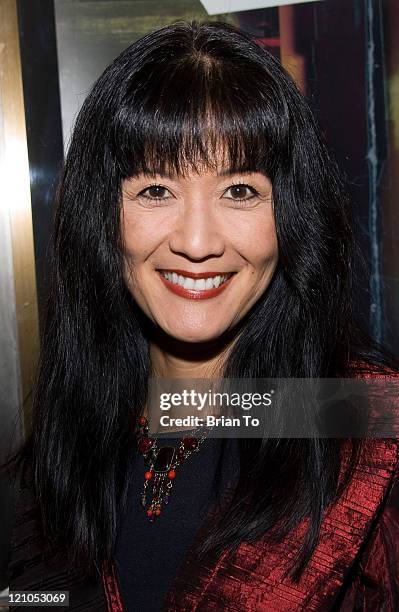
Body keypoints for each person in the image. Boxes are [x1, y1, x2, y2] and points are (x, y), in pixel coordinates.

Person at [2, 20, 399, 612]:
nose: (196, 241)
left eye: (239, 190)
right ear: (101, 216)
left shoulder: (365, 432)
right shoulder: (62, 445)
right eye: (155, 189)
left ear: (292, 215)